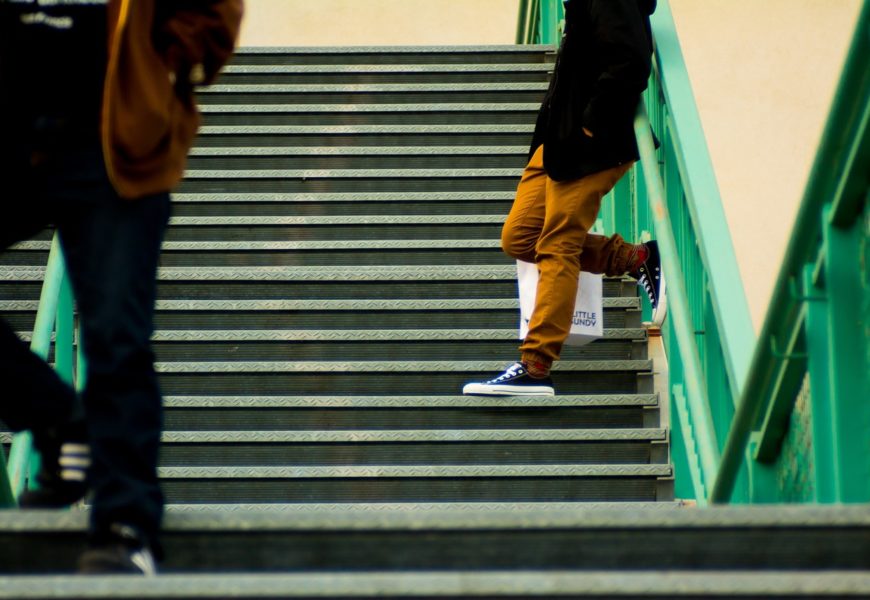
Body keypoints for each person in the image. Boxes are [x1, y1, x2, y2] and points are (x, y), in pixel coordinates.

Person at [0, 0, 243, 574]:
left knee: (114, 335)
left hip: (109, 137)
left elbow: (213, 13)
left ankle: (125, 524)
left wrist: (167, 60)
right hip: (11, 127)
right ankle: (60, 417)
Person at [463, 0, 663, 397]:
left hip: (591, 145)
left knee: (558, 243)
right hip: (557, 143)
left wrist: (590, 124)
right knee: (519, 237)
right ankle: (637, 258)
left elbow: (632, 61)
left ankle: (536, 365)